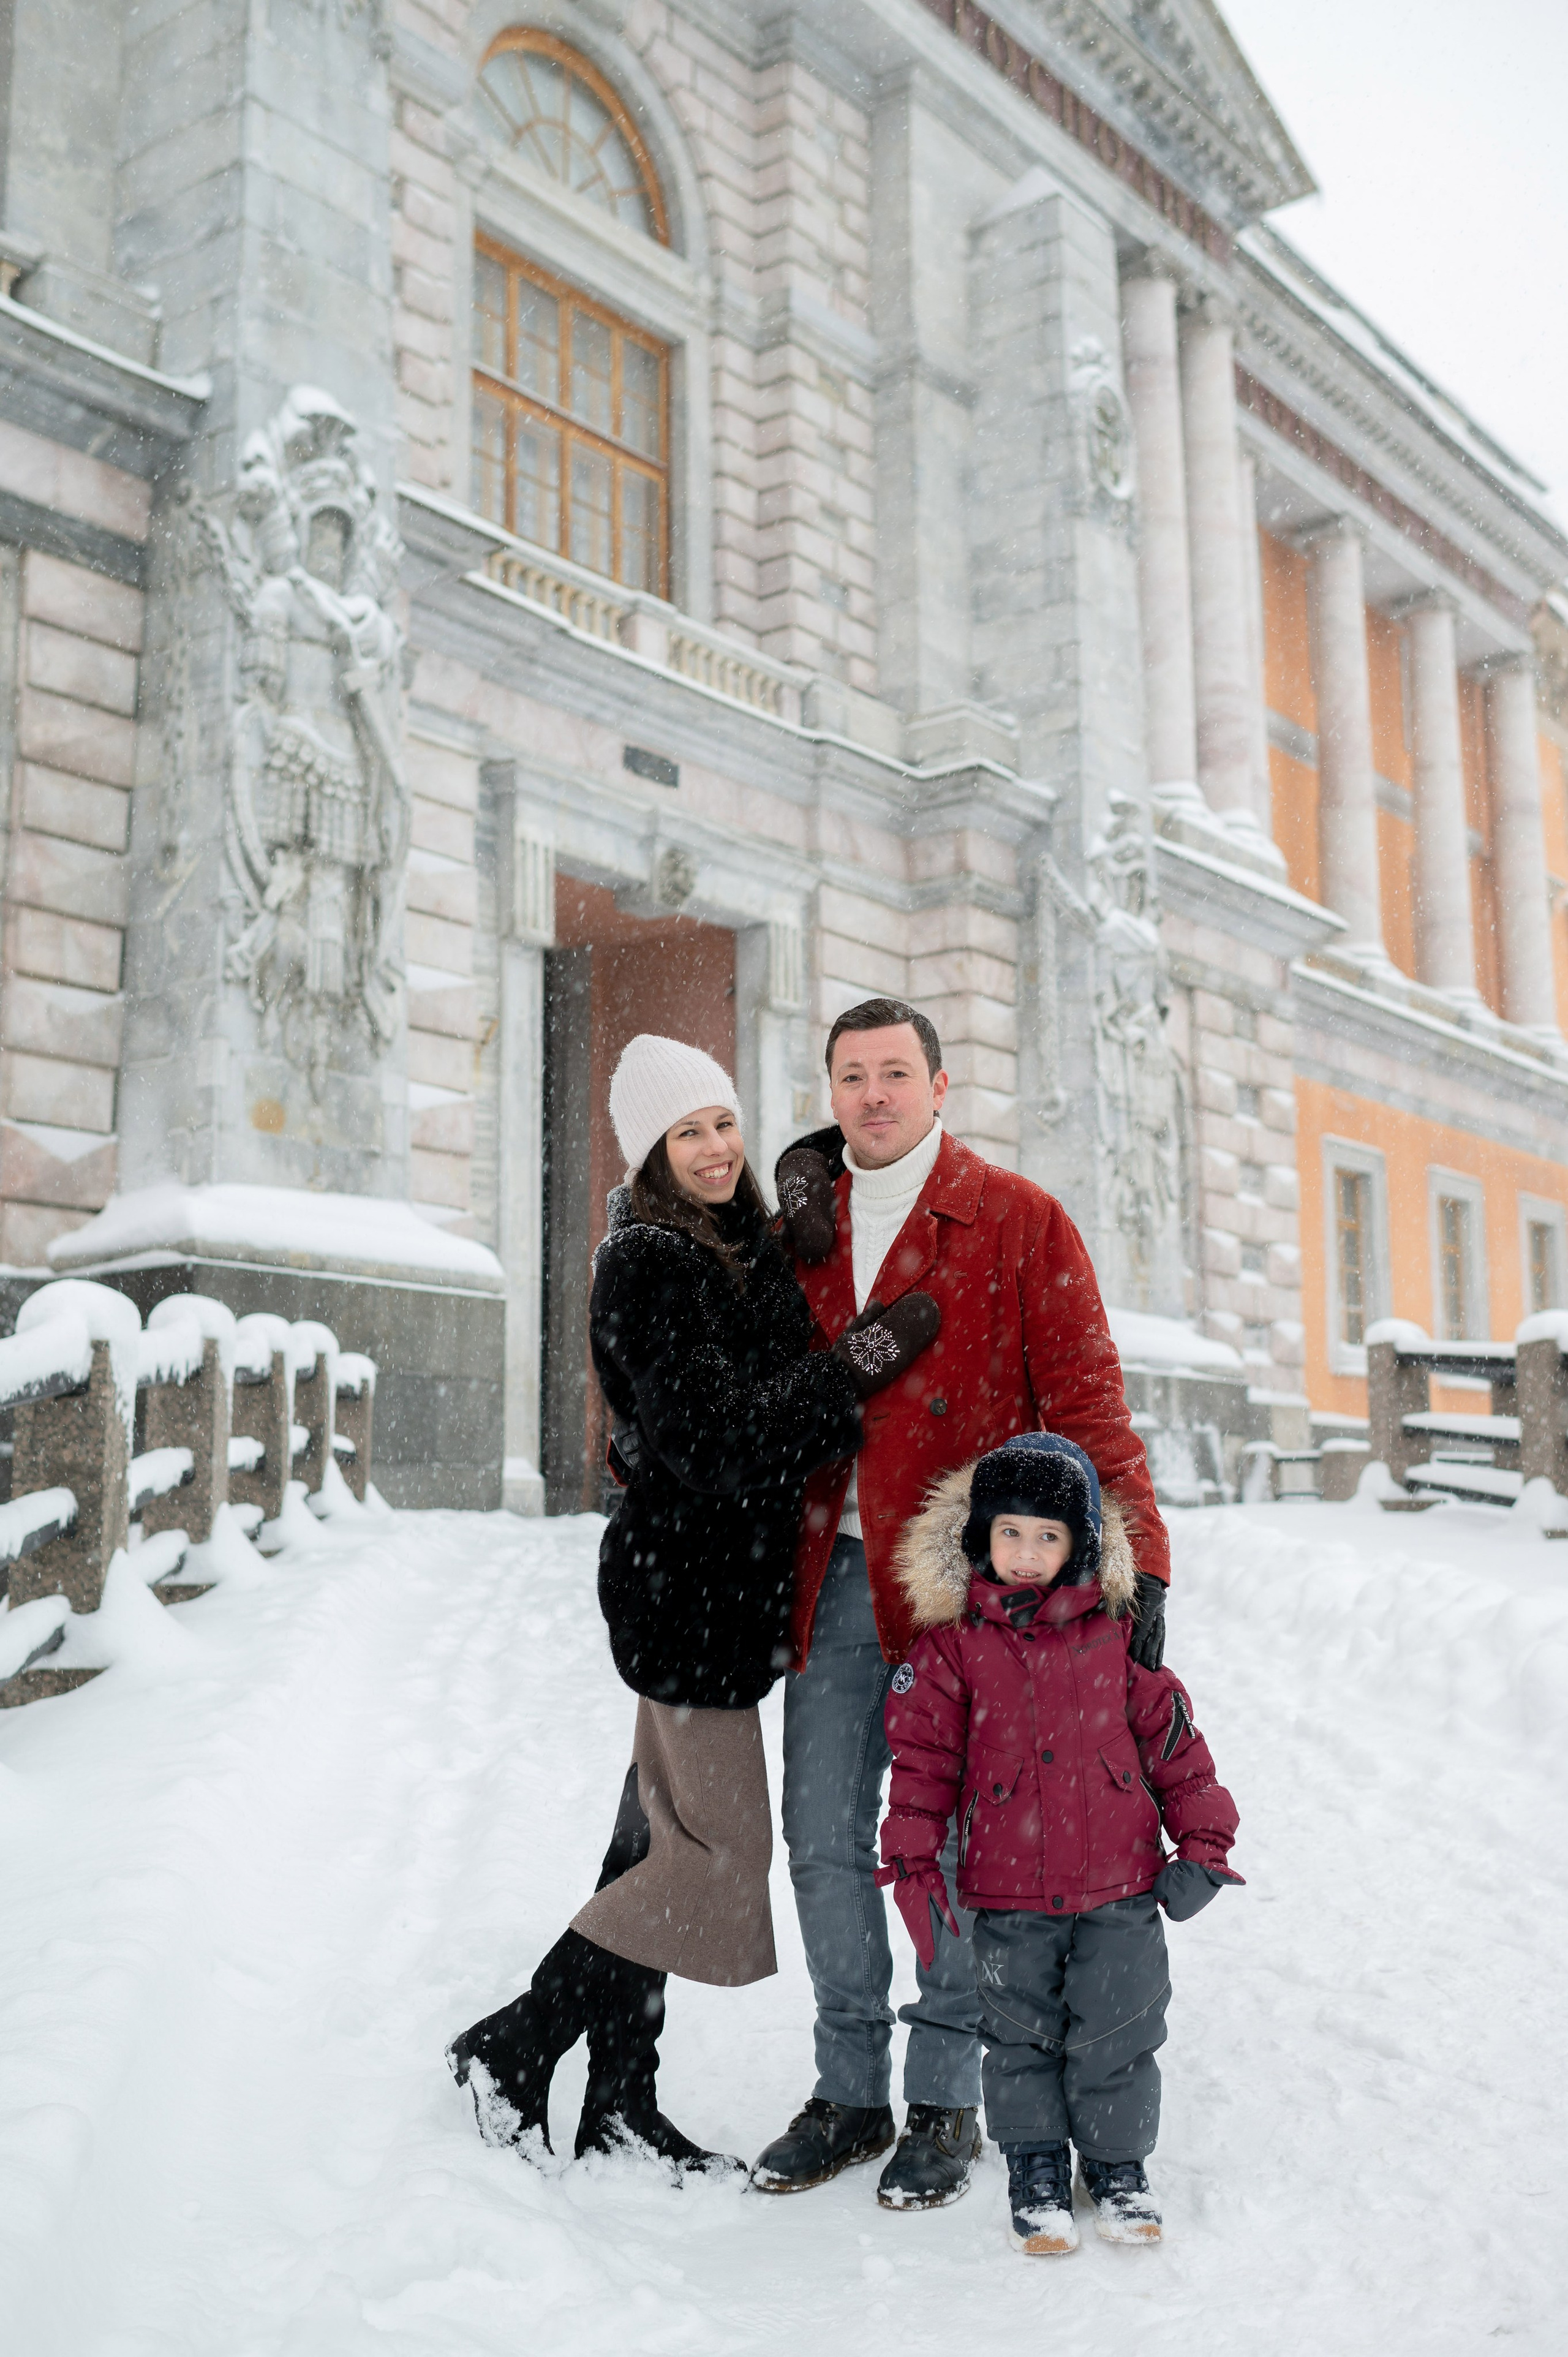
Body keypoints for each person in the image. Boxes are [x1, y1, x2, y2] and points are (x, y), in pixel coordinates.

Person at [447, 1033, 940, 2173]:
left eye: (725, 1124)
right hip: (689, 1609)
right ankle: (511, 2049)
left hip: (716, 1601)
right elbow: (718, 1440)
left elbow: (768, 1331)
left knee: (647, 1847)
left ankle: (621, 2100)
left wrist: (812, 1192)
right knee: (711, 1862)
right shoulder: (649, 1265)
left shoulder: (726, 1244)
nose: (717, 1150)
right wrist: (848, 1370)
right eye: (688, 1135)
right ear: (651, 1155)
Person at [751, 998, 1172, 2209]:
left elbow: (1085, 1398)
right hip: (822, 1573)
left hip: (959, 1586)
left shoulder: (1016, 1219)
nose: (871, 1095)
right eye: (850, 1076)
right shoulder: (797, 1228)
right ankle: (846, 2088)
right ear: (830, 1091)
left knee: (940, 1844)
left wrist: (1134, 1561)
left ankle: (942, 2098)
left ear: (939, 1088)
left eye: (893, 1073)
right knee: (824, 1839)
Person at [876, 1430, 1240, 2253]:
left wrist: (1206, 1845)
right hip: (1007, 1891)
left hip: (1120, 1883)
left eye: (1050, 1536)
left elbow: (1178, 1750)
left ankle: (1116, 2167)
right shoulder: (953, 1652)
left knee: (1120, 2028)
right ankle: (1035, 2165)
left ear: (1080, 1544)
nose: (1029, 1553)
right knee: (1019, 2037)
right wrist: (913, 1862)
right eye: (1011, 1532)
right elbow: (923, 1765)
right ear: (981, 1537)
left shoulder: (1118, 1641)